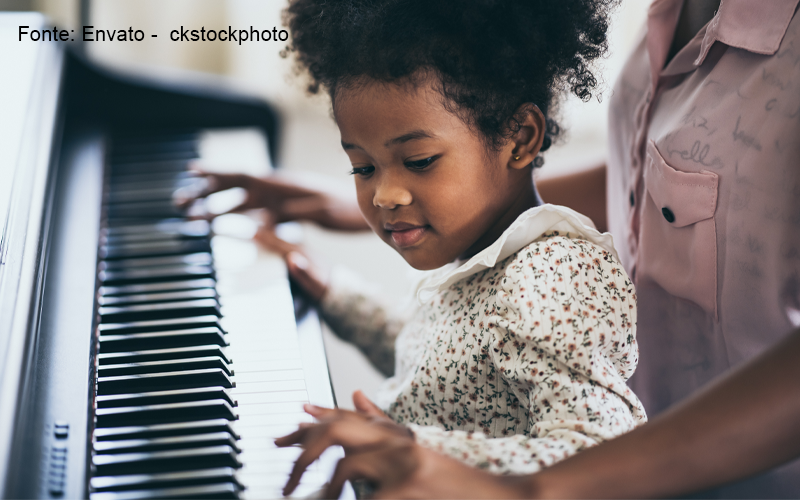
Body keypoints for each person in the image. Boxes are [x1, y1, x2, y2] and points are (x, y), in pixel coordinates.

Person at [186, 0, 651, 495]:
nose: (384, 195)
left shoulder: (552, 276)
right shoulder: (481, 257)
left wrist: (416, 448)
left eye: (420, 160)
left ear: (519, 138)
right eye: (362, 167)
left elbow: (598, 449)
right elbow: (445, 369)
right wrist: (335, 295)